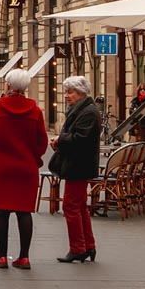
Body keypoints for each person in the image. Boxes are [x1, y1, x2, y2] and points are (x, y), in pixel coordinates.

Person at [0, 70, 48, 270]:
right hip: (26, 168)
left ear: (7, 85)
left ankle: (1, 257)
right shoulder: (35, 111)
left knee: (1, 212)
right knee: (24, 211)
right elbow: (41, 141)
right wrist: (34, 158)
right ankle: (24, 257)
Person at [49, 75, 101, 264]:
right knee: (80, 207)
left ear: (80, 93)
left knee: (70, 206)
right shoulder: (82, 109)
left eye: (70, 92)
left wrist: (60, 140)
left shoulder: (87, 112)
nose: (66, 95)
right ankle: (88, 245)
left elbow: (80, 139)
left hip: (79, 165)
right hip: (79, 164)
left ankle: (78, 248)